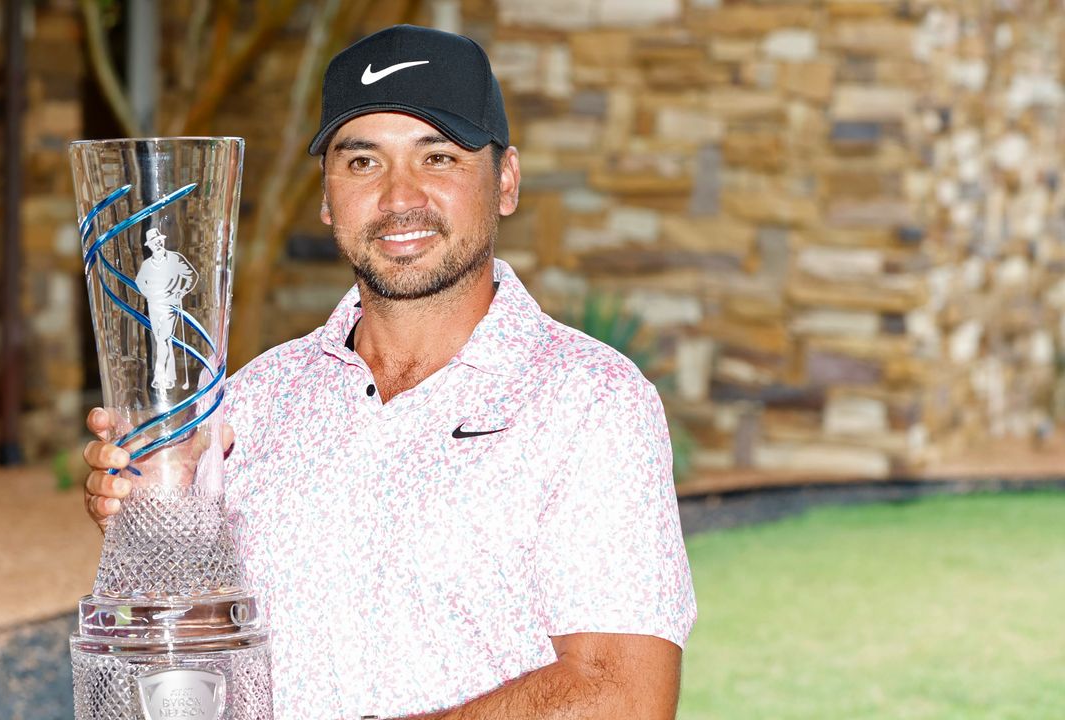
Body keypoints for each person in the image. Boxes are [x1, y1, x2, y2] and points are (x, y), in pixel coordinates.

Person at [83, 24, 696, 720]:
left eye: (438, 157)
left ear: (506, 182)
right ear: (326, 197)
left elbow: (621, 696)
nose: (400, 197)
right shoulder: (252, 401)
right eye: (362, 162)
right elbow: (209, 669)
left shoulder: (591, 403)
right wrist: (155, 529)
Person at [135, 227, 198, 390]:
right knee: (163, 340)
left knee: (163, 338)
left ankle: (159, 376)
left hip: (170, 305)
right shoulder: (147, 264)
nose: (157, 244)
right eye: (153, 242)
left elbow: (192, 276)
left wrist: (181, 291)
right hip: (154, 306)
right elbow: (139, 282)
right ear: (149, 245)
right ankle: (170, 379)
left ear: (162, 241)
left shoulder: (175, 259)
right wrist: (149, 294)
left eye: (159, 241)